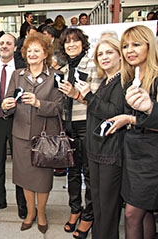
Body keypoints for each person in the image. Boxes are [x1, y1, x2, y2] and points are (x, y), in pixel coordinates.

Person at [1, 32, 64, 234]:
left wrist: (38, 103)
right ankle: (30, 212)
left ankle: (42, 213)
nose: (32, 54)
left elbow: (59, 108)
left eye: (37, 50)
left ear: (45, 53)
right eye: (29, 50)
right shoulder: (17, 75)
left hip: (44, 137)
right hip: (20, 136)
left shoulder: (55, 77)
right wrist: (6, 105)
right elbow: (8, 105)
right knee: (26, 178)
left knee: (43, 180)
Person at [105, 25, 158, 239]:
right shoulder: (130, 77)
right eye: (125, 46)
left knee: (131, 214)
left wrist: (135, 117)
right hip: (132, 154)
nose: (130, 50)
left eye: (136, 44)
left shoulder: (155, 79)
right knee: (143, 213)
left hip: (151, 158)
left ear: (149, 46)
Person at [75, 37, 124, 239]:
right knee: (98, 203)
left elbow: (113, 112)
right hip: (96, 151)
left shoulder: (123, 81)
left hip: (110, 153)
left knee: (108, 207)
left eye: (109, 52)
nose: (104, 57)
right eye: (100, 54)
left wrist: (88, 96)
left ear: (120, 55)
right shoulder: (107, 80)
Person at [58, 28, 101, 239]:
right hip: (69, 126)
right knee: (72, 172)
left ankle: (88, 215)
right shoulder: (65, 69)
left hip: (87, 124)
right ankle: (75, 209)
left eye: (75, 41)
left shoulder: (93, 65)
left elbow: (98, 102)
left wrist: (77, 95)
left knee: (89, 174)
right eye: (67, 42)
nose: (71, 45)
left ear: (83, 43)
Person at [0, 33, 27, 219]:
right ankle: (0, 199)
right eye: (1, 43)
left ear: (15, 47)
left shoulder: (22, 68)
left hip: (17, 120)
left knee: (20, 164)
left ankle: (22, 203)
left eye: (8, 43)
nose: (4, 46)